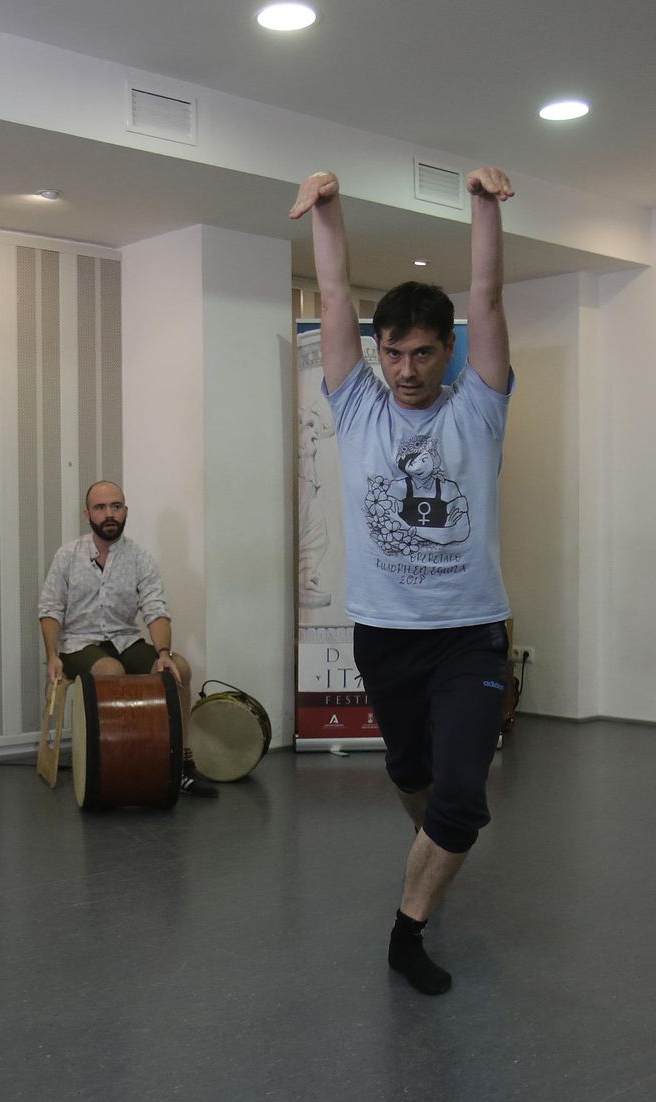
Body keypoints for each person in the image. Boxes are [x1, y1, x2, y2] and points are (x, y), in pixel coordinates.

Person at [289, 166, 515, 995]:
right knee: (413, 780)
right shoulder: (356, 406)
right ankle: (436, 858)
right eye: (395, 352)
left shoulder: (477, 407)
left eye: (424, 352)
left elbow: (486, 297)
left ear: (447, 351)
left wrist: (483, 209)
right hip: (384, 637)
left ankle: (406, 932)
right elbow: (338, 289)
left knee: (461, 798)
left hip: (468, 634)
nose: (408, 368)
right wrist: (328, 210)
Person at [38, 480, 216, 798]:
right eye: (100, 507)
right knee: (110, 672)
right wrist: (52, 654)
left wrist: (163, 652)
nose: (109, 514)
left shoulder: (140, 559)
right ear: (87, 513)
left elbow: (156, 610)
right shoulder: (67, 556)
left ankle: (181, 766)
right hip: (80, 644)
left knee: (179, 670)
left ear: (125, 511)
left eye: (116, 507)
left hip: (125, 639)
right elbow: (50, 609)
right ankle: (113, 768)